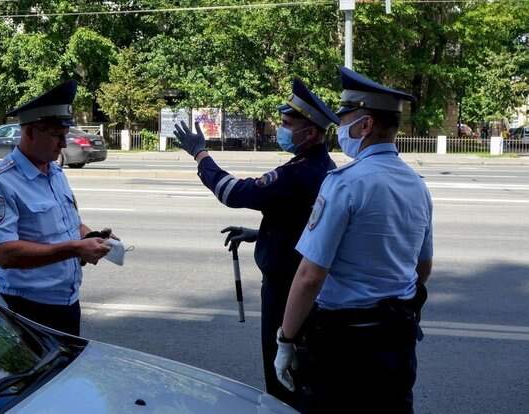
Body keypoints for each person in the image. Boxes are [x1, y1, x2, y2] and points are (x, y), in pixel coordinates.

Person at [274, 67, 433, 413]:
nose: (340, 127)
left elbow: (309, 275)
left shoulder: (344, 183)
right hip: (397, 339)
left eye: (345, 118)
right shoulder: (417, 186)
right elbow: (423, 267)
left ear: (366, 125)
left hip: (345, 343)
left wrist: (286, 339)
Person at [173, 78, 339, 407]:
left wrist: (200, 154)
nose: (281, 129)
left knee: (284, 383)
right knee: (301, 378)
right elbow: (301, 223)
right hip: (299, 286)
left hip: (285, 292)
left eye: (287, 124)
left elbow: (234, 193)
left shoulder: (298, 172)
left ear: (310, 132)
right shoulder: (321, 166)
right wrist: (259, 234)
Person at [0, 80, 112, 336]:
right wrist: (75, 249)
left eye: (65, 135)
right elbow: (5, 254)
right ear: (30, 133)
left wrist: (91, 237)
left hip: (67, 303)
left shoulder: (55, 172)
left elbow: (69, 223)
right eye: (57, 136)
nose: (63, 144)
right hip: (28, 309)